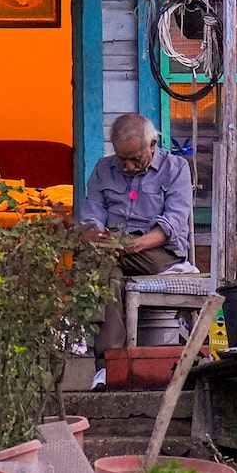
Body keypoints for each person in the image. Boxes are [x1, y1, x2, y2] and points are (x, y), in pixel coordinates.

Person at [76, 111, 195, 345]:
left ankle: (86, 336)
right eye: (122, 159)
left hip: (160, 253)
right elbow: (92, 213)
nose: (129, 167)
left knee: (100, 263)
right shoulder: (103, 169)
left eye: (135, 159)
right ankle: (110, 364)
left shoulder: (175, 168)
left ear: (152, 145)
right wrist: (94, 235)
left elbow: (173, 221)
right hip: (114, 251)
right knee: (110, 275)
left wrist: (135, 244)